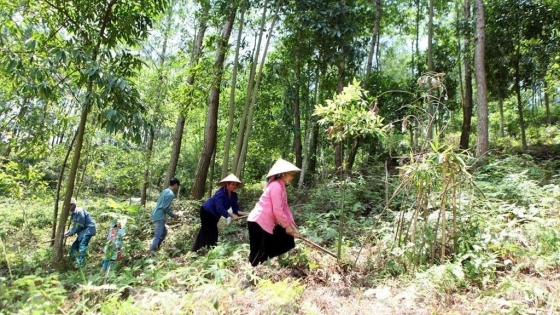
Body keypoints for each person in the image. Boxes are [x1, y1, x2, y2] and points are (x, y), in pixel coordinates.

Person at [247, 158, 301, 266]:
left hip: (267, 223)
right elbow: (277, 210)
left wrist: (292, 226)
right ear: (284, 174)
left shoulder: (281, 187)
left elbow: (285, 208)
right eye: (291, 174)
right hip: (258, 221)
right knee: (258, 251)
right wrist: (286, 226)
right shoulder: (276, 186)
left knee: (286, 239)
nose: (292, 176)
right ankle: (249, 275)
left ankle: (258, 268)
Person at [191, 174, 247, 252]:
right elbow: (219, 208)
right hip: (206, 212)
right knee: (209, 231)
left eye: (236, 185)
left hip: (215, 216)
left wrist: (247, 214)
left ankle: (197, 249)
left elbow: (236, 210)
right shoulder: (220, 193)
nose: (234, 186)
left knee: (207, 231)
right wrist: (231, 216)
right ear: (227, 184)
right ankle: (206, 250)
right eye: (232, 184)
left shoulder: (234, 195)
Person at [148, 177, 181, 253]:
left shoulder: (165, 191)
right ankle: (150, 252)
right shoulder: (171, 194)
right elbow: (164, 207)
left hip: (155, 213)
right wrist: (174, 215)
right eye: (178, 185)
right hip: (160, 216)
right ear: (175, 185)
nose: (178, 187)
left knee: (164, 233)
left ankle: (156, 248)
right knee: (158, 236)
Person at [64, 198, 97, 267]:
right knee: (74, 246)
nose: (68, 207)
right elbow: (75, 225)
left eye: (69, 205)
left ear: (73, 205)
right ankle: (72, 262)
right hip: (82, 232)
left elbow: (80, 225)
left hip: (88, 230)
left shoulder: (79, 211)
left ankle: (80, 264)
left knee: (82, 245)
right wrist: (67, 233)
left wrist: (72, 232)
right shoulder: (73, 214)